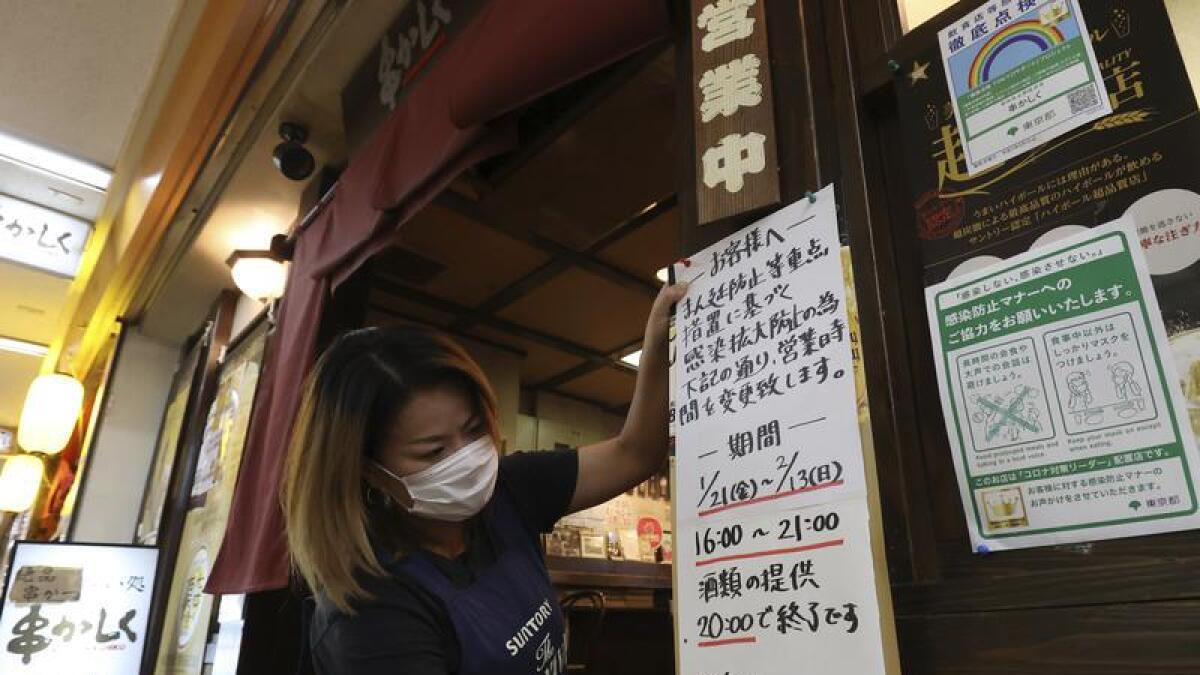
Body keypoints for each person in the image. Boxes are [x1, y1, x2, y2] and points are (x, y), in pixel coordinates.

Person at [282, 281, 687, 674]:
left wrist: (658, 342)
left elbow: (634, 454)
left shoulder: (509, 489)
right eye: (434, 452)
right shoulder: (367, 615)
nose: (469, 460)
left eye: (475, 430)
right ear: (369, 471)